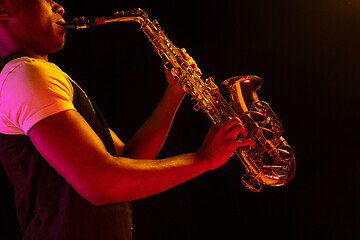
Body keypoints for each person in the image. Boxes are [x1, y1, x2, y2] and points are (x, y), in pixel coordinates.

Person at [0, 0, 255, 239]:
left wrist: (175, 92)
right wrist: (205, 158)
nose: (60, 7)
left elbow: (129, 159)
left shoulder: (32, 75)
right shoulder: (24, 74)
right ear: (4, 9)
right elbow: (101, 183)